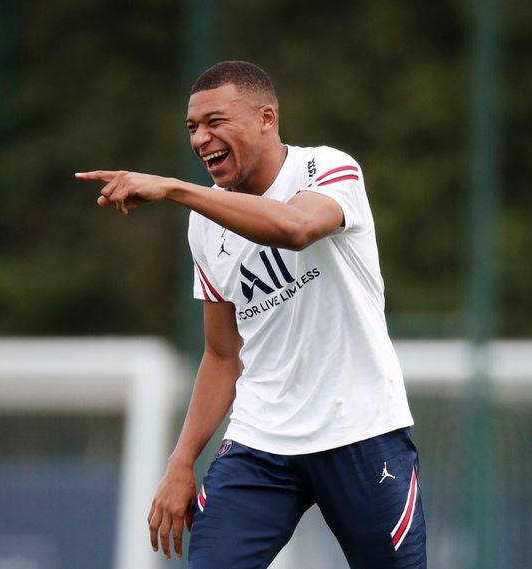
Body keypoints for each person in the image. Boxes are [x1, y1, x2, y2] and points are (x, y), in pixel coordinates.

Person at [76, 60, 426, 569]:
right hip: (261, 445)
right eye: (193, 128)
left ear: (266, 118)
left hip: (362, 432)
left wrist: (175, 189)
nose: (201, 139)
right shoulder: (205, 225)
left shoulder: (329, 169)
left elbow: (297, 227)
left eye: (215, 122)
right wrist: (181, 460)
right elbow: (222, 354)